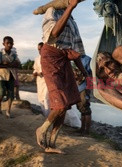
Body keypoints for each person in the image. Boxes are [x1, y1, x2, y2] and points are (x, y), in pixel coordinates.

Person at [35, 0, 88, 154]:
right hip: (50, 57)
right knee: (60, 104)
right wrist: (70, 7)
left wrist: (83, 71)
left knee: (67, 103)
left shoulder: (72, 21)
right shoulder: (51, 11)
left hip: (63, 60)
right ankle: (42, 129)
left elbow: (74, 51)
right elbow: (54, 34)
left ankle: (51, 144)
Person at [0, 36, 21, 118]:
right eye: (7, 43)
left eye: (11, 43)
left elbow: (18, 64)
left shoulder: (14, 55)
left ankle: (8, 111)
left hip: (11, 76)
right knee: (1, 92)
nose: (9, 45)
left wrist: (8, 64)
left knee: (11, 95)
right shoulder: (0, 54)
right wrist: (9, 64)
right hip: (1, 76)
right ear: (3, 44)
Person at [73, 55, 92, 136]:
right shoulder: (73, 59)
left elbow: (91, 73)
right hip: (77, 87)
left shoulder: (87, 59)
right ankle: (82, 129)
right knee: (81, 108)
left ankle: (86, 131)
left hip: (85, 86)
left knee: (85, 107)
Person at [33, 42, 50, 117]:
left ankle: (48, 117)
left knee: (46, 98)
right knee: (41, 99)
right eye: (38, 50)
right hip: (40, 82)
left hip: (48, 82)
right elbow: (35, 70)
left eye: (41, 49)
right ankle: (45, 116)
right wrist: (37, 73)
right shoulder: (37, 59)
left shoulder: (50, 58)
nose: (40, 51)